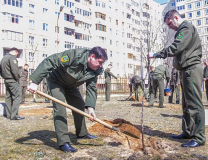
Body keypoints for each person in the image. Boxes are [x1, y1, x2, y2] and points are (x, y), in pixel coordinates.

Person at [28, 47, 107, 153]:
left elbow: (91, 87)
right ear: (92, 57)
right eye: (100, 62)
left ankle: (82, 133)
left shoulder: (96, 69)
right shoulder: (75, 55)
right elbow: (51, 60)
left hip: (71, 85)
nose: (101, 65)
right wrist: (34, 81)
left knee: (79, 104)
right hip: (56, 81)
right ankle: (63, 142)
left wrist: (90, 108)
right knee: (60, 108)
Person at [151, 10, 206, 147]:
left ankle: (199, 137)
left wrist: (156, 54)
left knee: (194, 103)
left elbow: (176, 47)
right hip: (185, 70)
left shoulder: (186, 28)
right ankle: (187, 131)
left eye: (170, 23)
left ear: (176, 17)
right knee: (186, 103)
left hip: (191, 69)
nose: (170, 27)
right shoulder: (181, 30)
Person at [0, 48, 24, 120]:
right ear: (15, 52)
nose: (17, 55)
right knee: (17, 97)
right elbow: (15, 70)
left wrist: (4, 77)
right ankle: (14, 116)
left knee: (8, 97)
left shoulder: (3, 59)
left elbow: (0, 70)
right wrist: (17, 78)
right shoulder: (12, 58)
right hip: (13, 80)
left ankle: (9, 114)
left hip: (6, 80)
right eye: (17, 54)